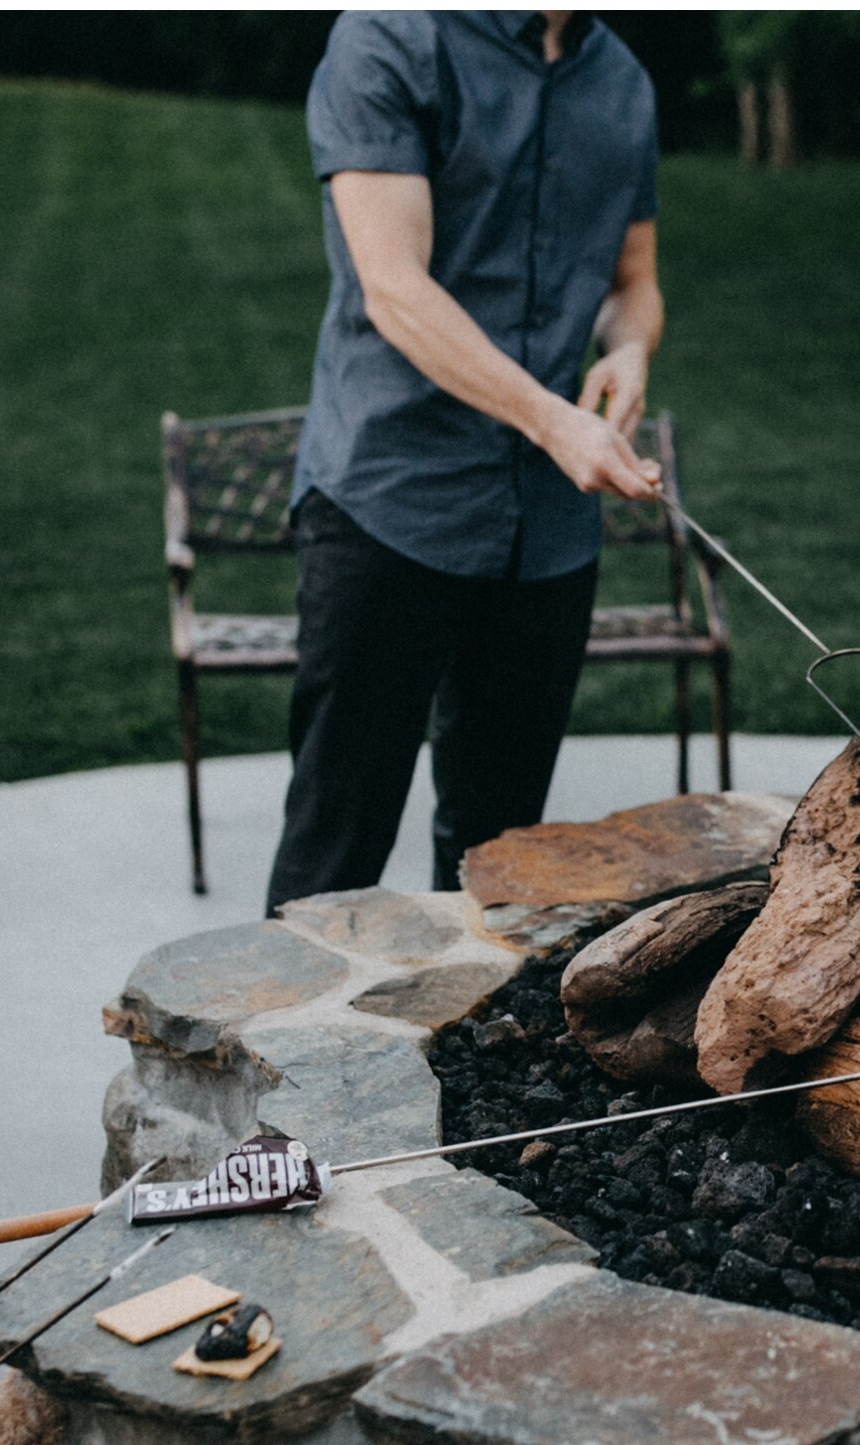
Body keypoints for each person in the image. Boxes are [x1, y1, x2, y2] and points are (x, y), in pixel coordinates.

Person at [266, 9, 664, 915]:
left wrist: (629, 348)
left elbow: (632, 280)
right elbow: (395, 287)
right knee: (336, 853)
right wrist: (555, 423)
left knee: (506, 868)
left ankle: (472, 1056)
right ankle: (284, 1059)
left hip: (549, 531)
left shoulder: (624, 83)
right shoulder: (391, 38)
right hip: (389, 500)